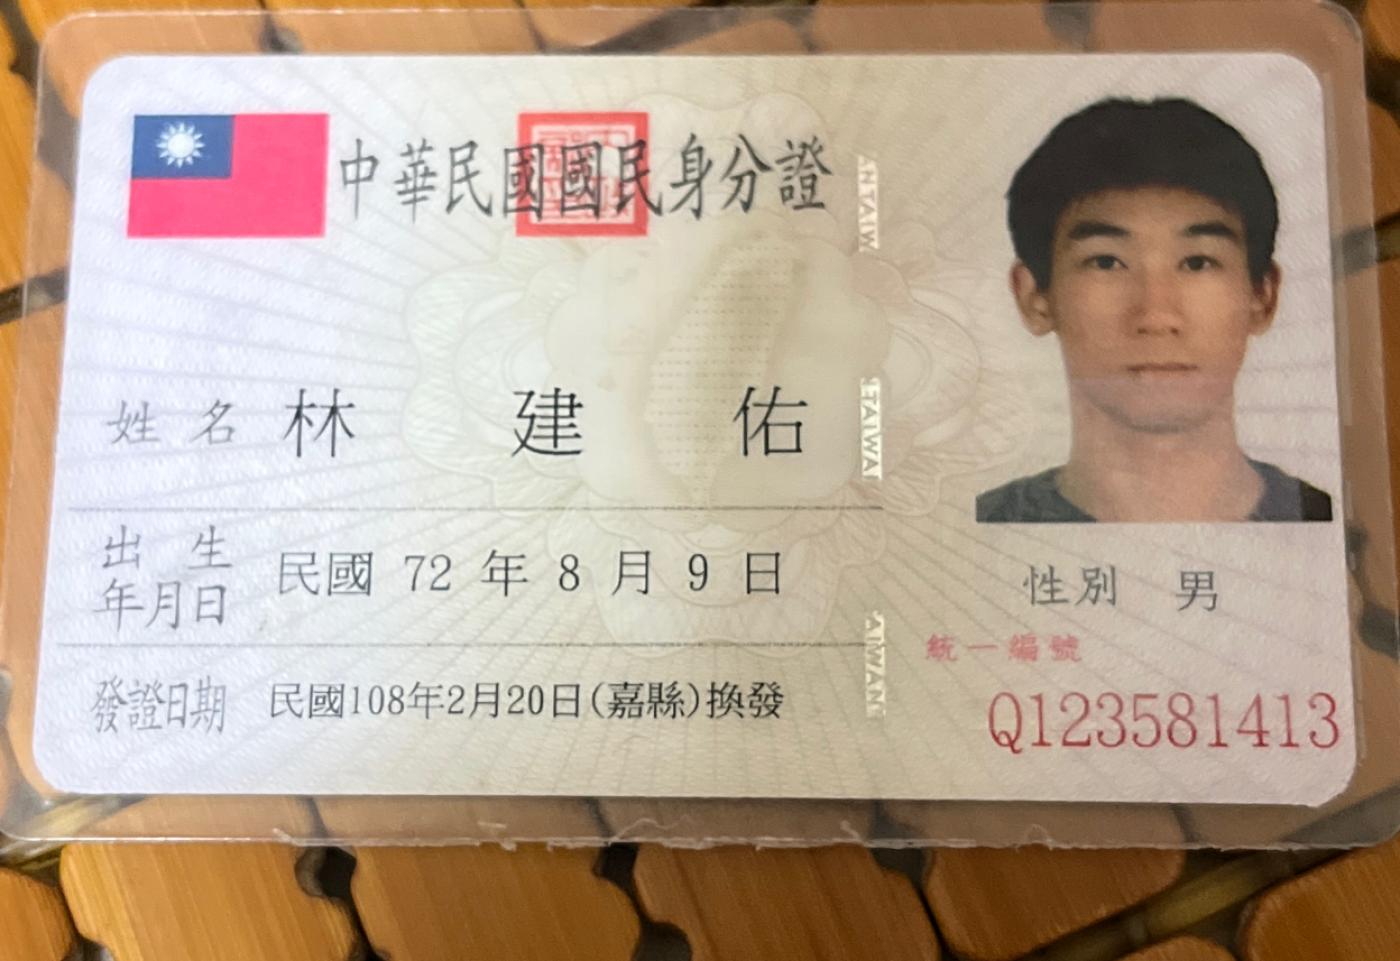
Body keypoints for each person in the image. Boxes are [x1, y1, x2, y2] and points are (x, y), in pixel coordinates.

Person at [976, 97, 1333, 523]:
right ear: (1034, 297)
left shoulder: (1340, 528)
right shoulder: (977, 534)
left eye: (1197, 262)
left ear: (1262, 296)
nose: (1156, 316)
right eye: (1106, 262)